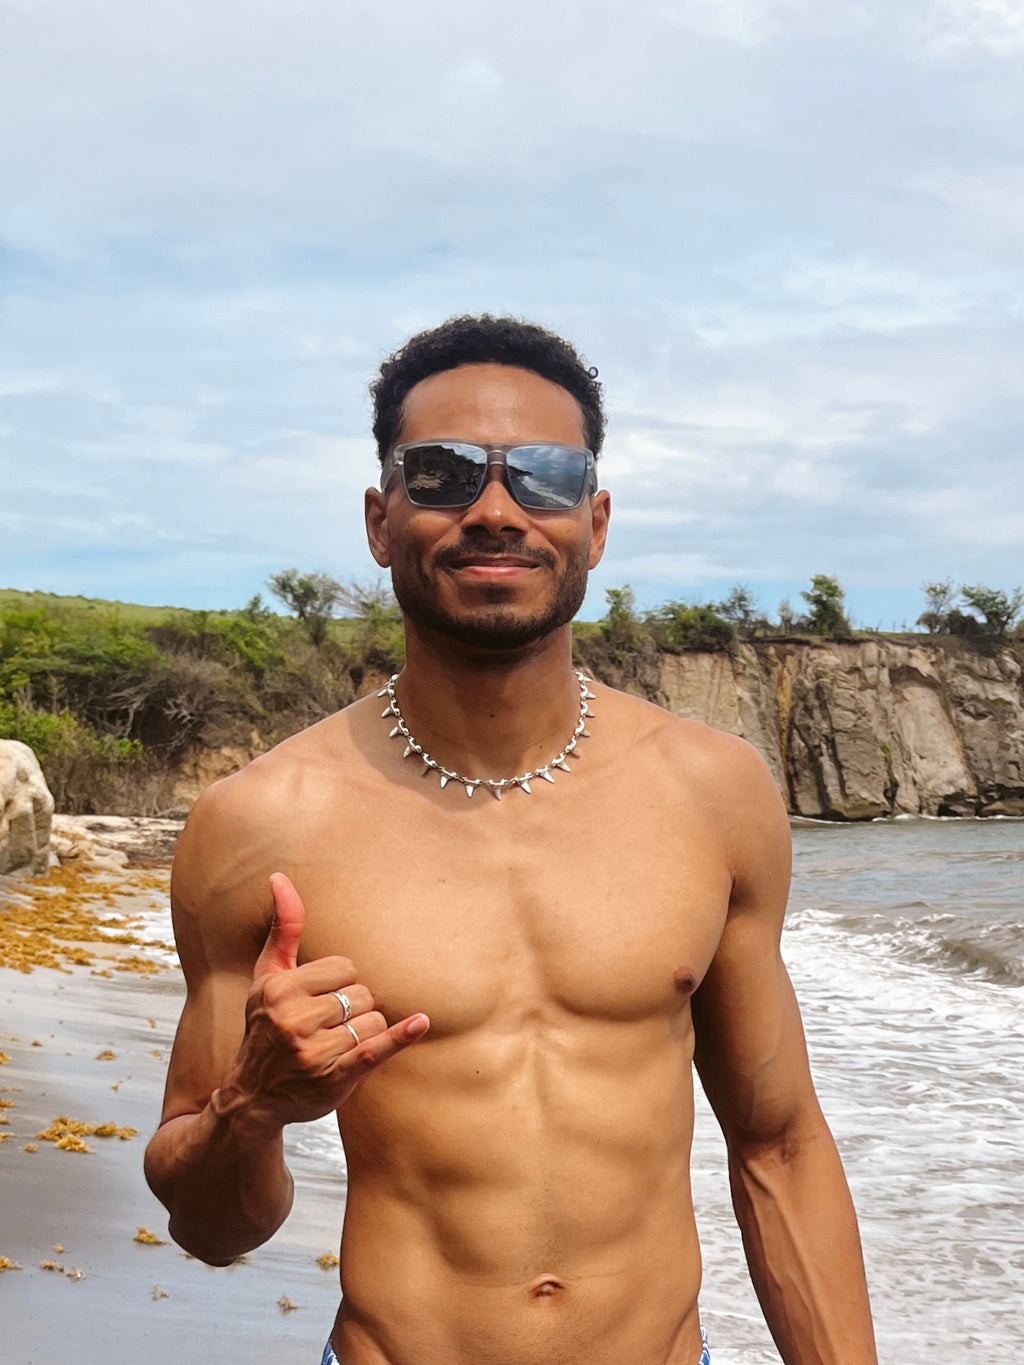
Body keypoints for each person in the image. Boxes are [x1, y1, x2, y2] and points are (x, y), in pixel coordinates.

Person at [145, 315, 878, 1365]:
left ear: (596, 519)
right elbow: (213, 1231)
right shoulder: (261, 823)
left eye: (542, 475)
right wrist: (251, 1110)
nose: (495, 510)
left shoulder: (712, 791)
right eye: (440, 473)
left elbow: (779, 1146)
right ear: (378, 517)